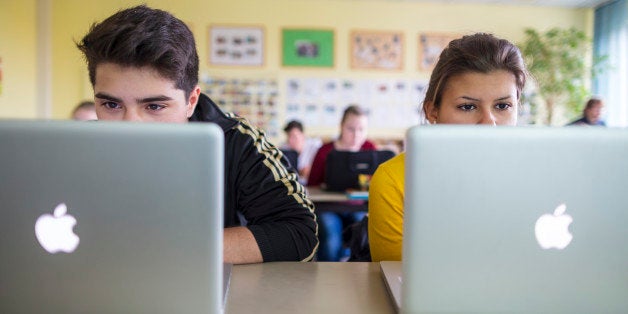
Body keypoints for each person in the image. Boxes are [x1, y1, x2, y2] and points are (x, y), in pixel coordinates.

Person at [77, 5, 317, 264]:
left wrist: (166, 250)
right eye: (112, 105)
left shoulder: (235, 140)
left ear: (191, 101)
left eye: (154, 106)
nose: (131, 126)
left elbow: (300, 233)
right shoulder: (71, 147)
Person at [368, 33, 528, 262]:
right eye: (467, 107)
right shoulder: (395, 179)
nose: (489, 122)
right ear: (432, 111)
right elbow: (399, 277)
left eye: (503, 105)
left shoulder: (537, 176)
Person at [308, 105, 376, 261]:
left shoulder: (370, 149)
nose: (356, 135)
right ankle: (327, 280)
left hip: (359, 206)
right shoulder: (325, 150)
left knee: (364, 236)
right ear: (341, 127)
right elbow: (311, 185)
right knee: (331, 238)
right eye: (351, 129)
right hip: (328, 207)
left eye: (361, 129)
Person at [281, 120, 322, 185]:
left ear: (303, 135)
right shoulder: (284, 148)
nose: (290, 140)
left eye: (294, 136)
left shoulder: (315, 146)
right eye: (288, 136)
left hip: (312, 186)